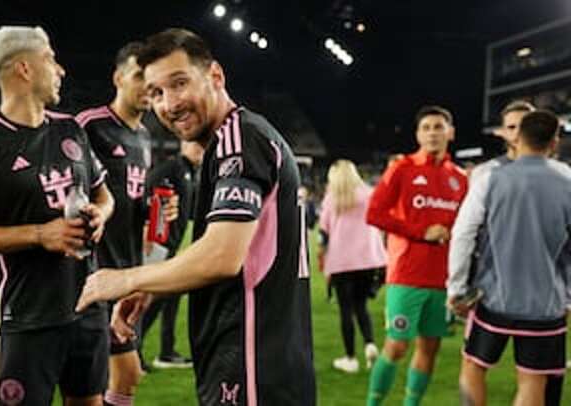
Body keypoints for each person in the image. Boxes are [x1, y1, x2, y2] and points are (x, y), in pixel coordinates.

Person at [76, 28, 316, 406]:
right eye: (156, 92)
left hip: (251, 363)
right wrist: (152, 287)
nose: (169, 104)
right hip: (255, 358)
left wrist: (125, 279)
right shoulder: (230, 142)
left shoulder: (240, 141)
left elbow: (221, 257)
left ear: (215, 76)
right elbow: (230, 253)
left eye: (179, 83)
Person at [0, 26, 114, 406]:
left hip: (88, 304)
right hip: (28, 316)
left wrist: (100, 214)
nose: (60, 69)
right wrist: (40, 234)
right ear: (24, 68)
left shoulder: (71, 128)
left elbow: (105, 196)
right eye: (51, 59)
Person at [75, 41, 176, 406]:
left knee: (123, 376)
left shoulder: (144, 136)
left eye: (152, 79)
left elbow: (130, 198)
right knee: (106, 378)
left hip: (126, 268)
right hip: (92, 269)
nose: (148, 86)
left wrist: (156, 210)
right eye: (138, 76)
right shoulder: (90, 125)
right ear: (118, 78)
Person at [447, 110, 571, 406]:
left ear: (518, 138)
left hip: (493, 298)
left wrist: (457, 287)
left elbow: (462, 233)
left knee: (473, 367)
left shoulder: (489, 178)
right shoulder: (568, 181)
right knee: (533, 380)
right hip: (546, 303)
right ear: (554, 142)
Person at [365, 105, 468, 405]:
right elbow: (374, 213)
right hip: (406, 274)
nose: (432, 133)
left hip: (444, 278)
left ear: (450, 133)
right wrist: (421, 231)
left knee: (429, 348)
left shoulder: (460, 178)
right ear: (418, 135)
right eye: (426, 128)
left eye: (438, 127)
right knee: (397, 346)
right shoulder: (402, 168)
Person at [138, 140, 204, 370]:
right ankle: (131, 350)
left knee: (170, 295)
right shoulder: (172, 167)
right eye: (195, 145)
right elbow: (150, 191)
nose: (200, 150)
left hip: (172, 244)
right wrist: (148, 227)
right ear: (183, 144)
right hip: (158, 242)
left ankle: (166, 351)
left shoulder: (190, 171)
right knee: (147, 299)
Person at [318, 159, 386, 373]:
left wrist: (322, 256)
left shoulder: (332, 198)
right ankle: (370, 344)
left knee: (345, 310)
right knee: (361, 306)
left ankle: (350, 358)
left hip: (341, 261)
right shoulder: (369, 194)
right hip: (367, 259)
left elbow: (323, 231)